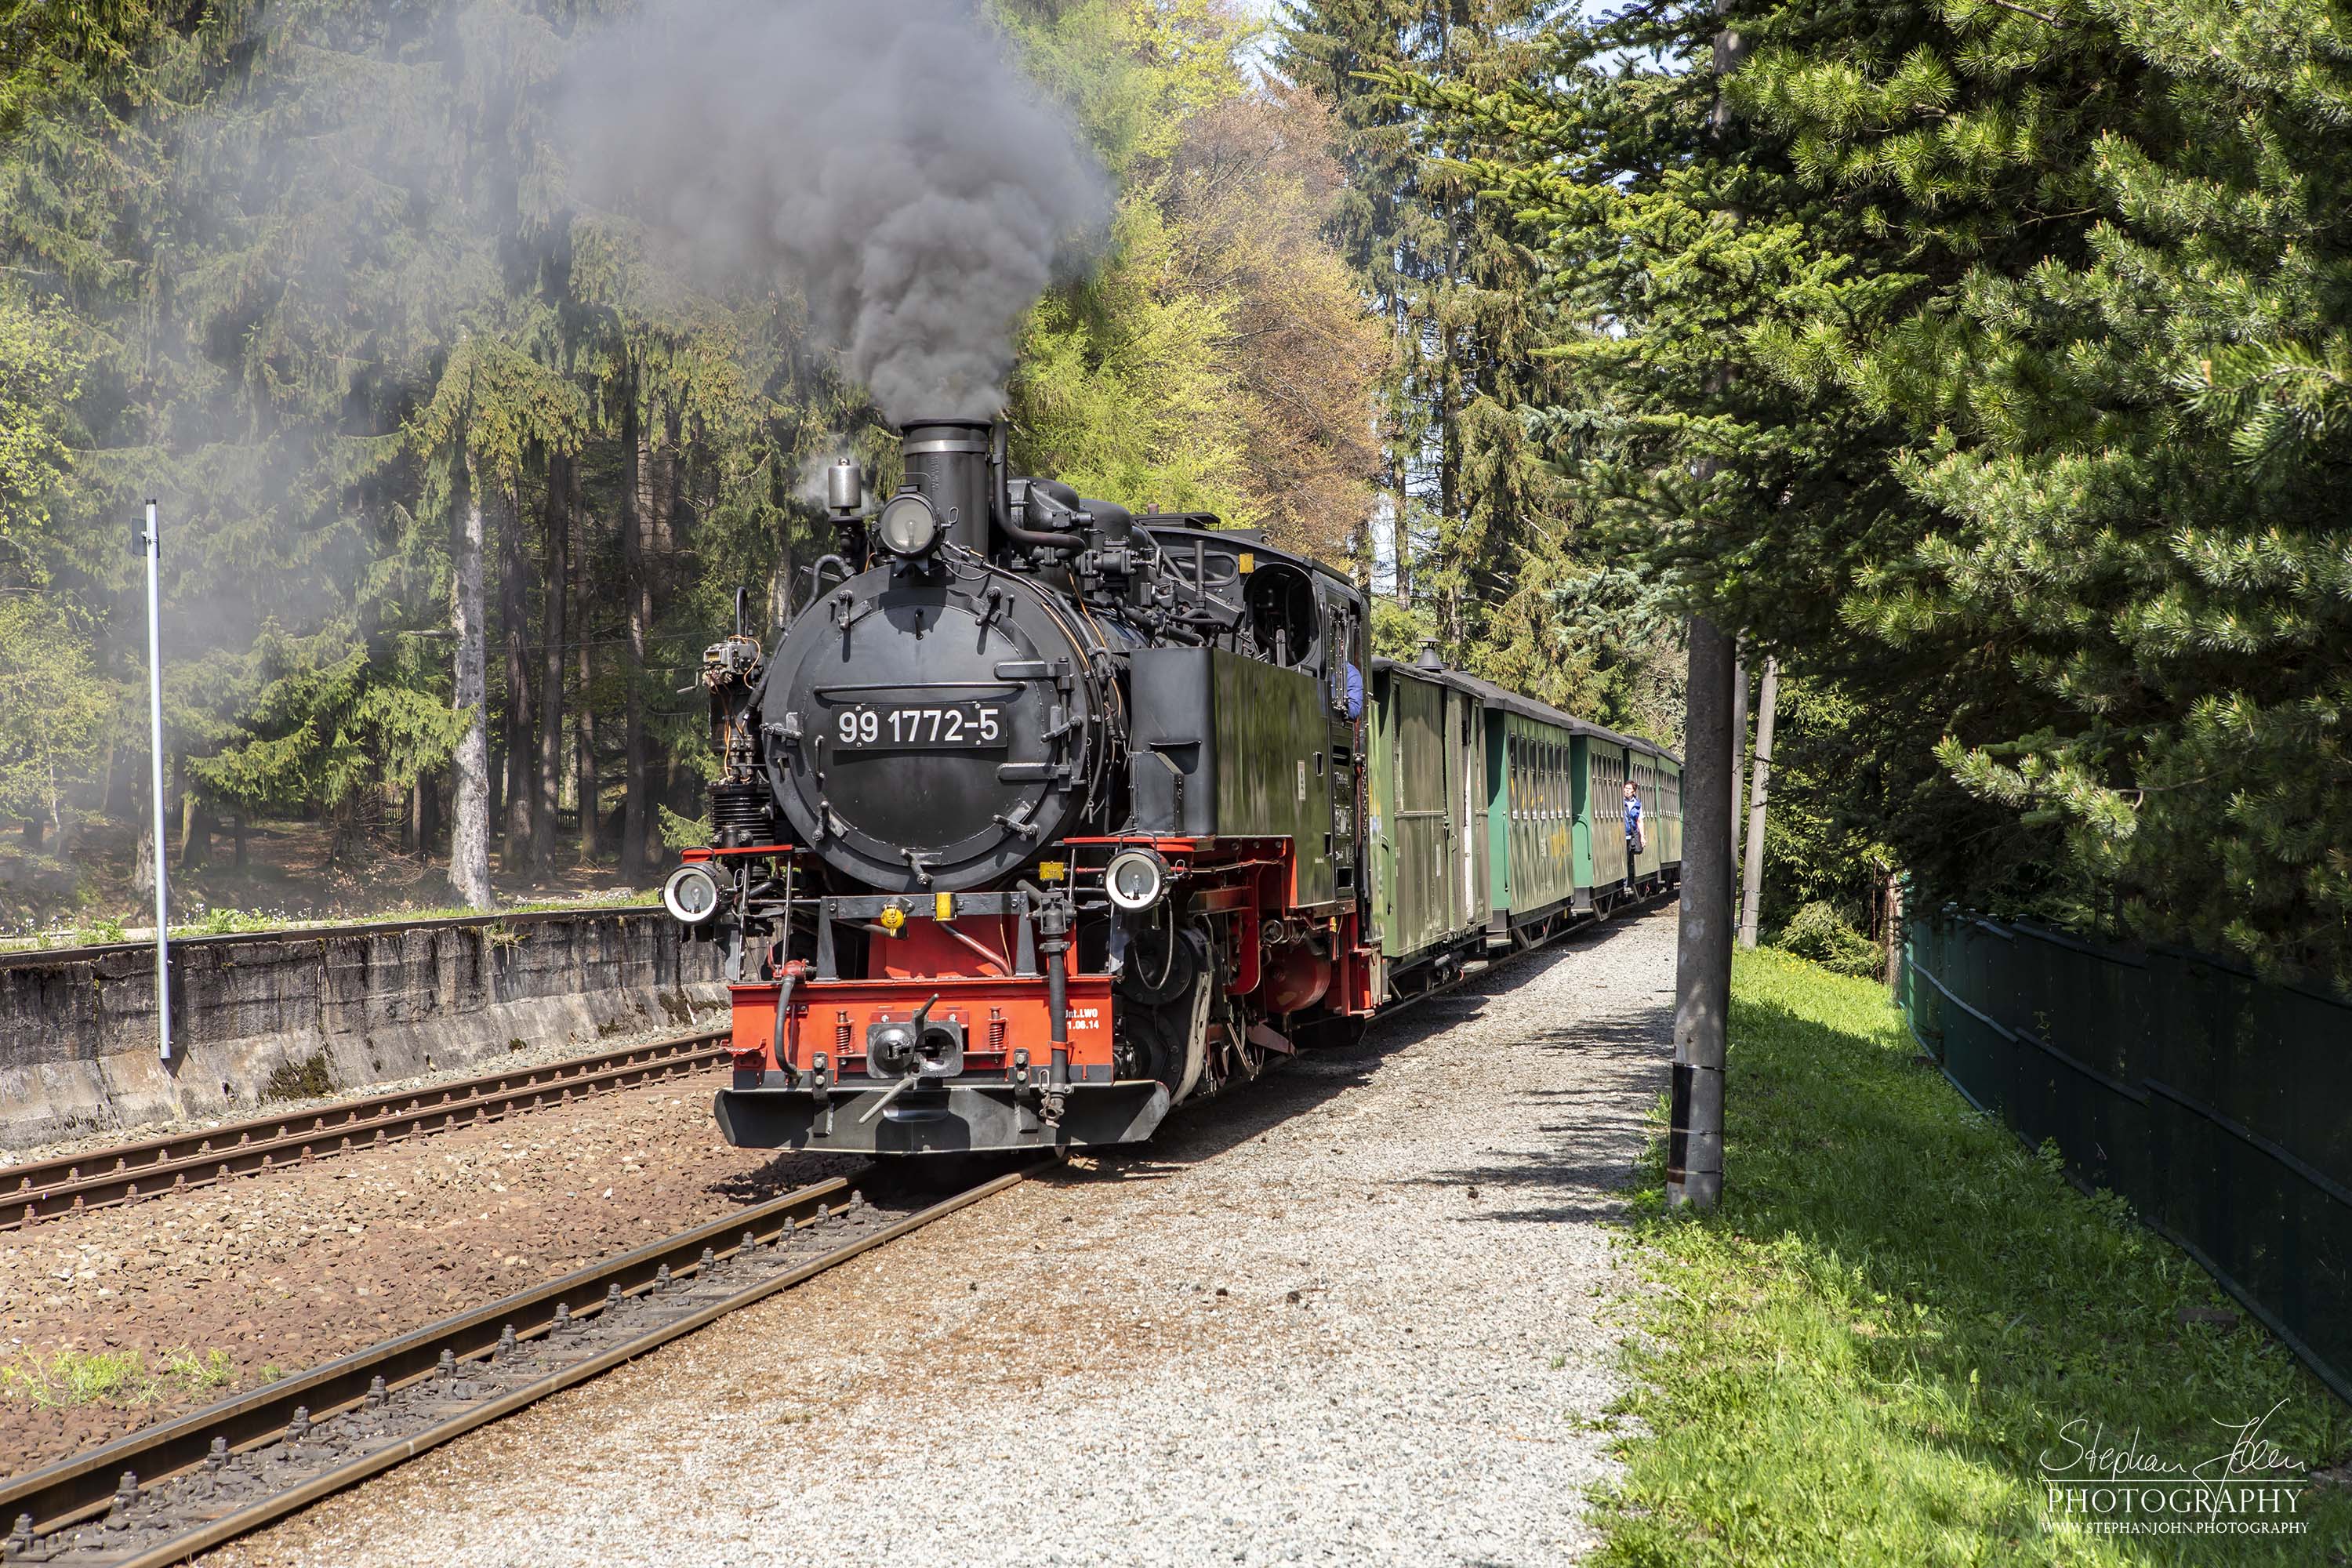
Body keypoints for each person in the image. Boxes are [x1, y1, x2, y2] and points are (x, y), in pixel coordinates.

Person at [1622, 779, 1644, 857]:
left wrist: (1642, 837)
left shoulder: (1637, 804)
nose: (1627, 791)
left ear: (1634, 791)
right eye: (1626, 788)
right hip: (1621, 833)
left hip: (1631, 834)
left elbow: (1639, 821)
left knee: (1629, 854)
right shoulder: (1620, 800)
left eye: (1629, 789)